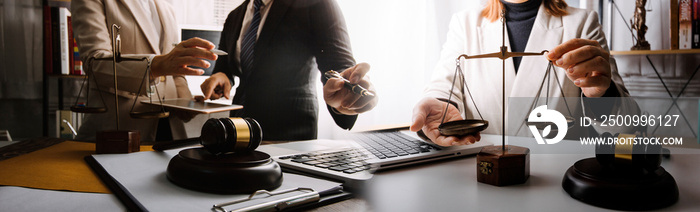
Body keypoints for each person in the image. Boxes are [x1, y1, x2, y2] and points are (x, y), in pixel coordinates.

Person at [411, 0, 635, 146]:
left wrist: (602, 96)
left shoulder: (582, 22)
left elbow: (626, 125)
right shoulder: (465, 23)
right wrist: (439, 107)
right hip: (482, 170)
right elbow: (443, 84)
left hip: (555, 176)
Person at [200, 0, 378, 141]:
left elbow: (339, 64)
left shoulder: (316, 4)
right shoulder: (235, 16)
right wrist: (221, 76)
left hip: (290, 135)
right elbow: (225, 67)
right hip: (238, 130)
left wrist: (346, 94)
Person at [72, 0, 218, 141]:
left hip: (170, 131)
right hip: (120, 132)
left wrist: (187, 104)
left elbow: (174, 71)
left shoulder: (167, 9)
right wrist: (155, 66)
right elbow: (95, 62)